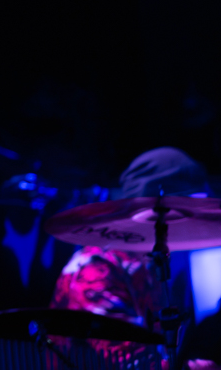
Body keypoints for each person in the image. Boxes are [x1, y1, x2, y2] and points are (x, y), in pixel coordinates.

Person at [50, 147, 220, 369]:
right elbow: (122, 361)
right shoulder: (94, 269)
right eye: (187, 210)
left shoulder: (150, 267)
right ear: (155, 214)